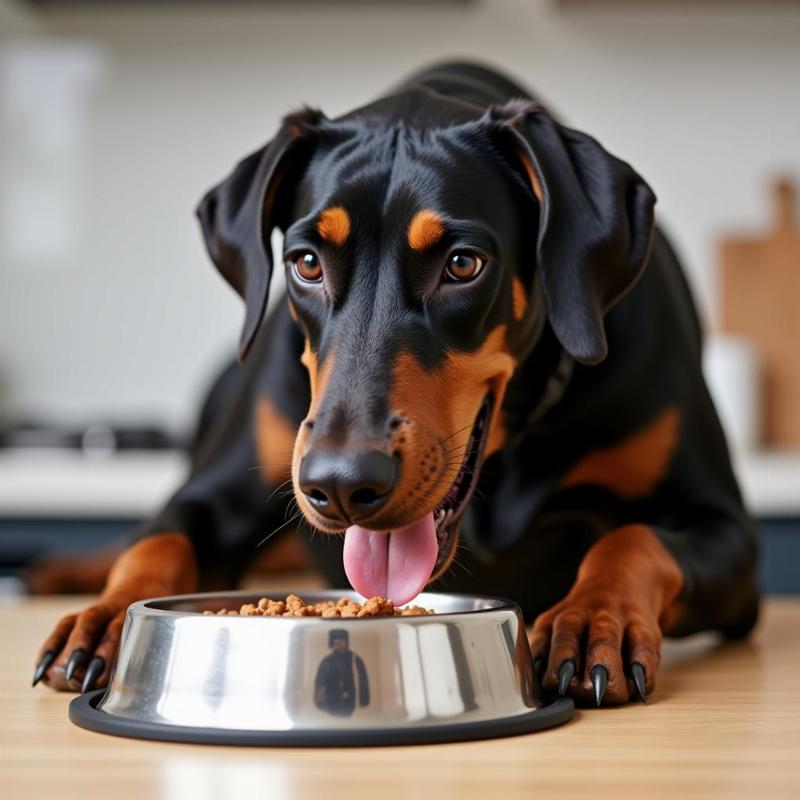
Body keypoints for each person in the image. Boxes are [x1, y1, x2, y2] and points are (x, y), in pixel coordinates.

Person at [313, 629, 370, 717]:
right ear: (331, 643)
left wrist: (363, 701)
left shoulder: (355, 660)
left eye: (341, 639)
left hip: (350, 703)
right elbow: (320, 682)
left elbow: (363, 682)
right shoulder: (327, 661)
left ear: (346, 641)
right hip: (330, 703)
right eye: (335, 640)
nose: (338, 642)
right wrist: (320, 697)